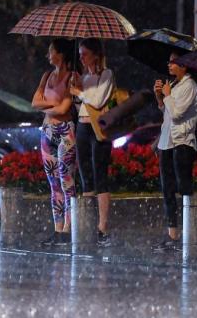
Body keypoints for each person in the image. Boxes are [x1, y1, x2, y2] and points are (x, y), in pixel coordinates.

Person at [32, 38, 78, 246]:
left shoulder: (72, 77)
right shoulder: (46, 75)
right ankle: (57, 229)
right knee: (54, 184)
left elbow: (64, 110)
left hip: (65, 131)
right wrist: (53, 104)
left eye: (51, 51)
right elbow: (35, 102)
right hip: (47, 131)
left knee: (67, 181)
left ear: (60, 54)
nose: (48, 55)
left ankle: (68, 229)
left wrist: (47, 106)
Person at [152, 50, 197, 252]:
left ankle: (189, 234)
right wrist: (159, 97)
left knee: (184, 188)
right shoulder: (175, 85)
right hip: (166, 143)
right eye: (169, 62)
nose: (169, 65)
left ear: (184, 65)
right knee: (167, 190)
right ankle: (173, 235)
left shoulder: (190, 85)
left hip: (182, 143)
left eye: (174, 62)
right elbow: (168, 113)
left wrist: (168, 96)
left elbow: (178, 114)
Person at [69, 38, 114, 247]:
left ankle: (103, 226)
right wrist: (77, 90)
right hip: (82, 127)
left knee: (99, 174)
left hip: (99, 129)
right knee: (85, 175)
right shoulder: (85, 77)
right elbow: (83, 105)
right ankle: (87, 223)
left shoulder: (107, 75)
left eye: (84, 53)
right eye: (80, 54)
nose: (81, 57)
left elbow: (97, 101)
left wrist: (80, 93)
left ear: (96, 55)